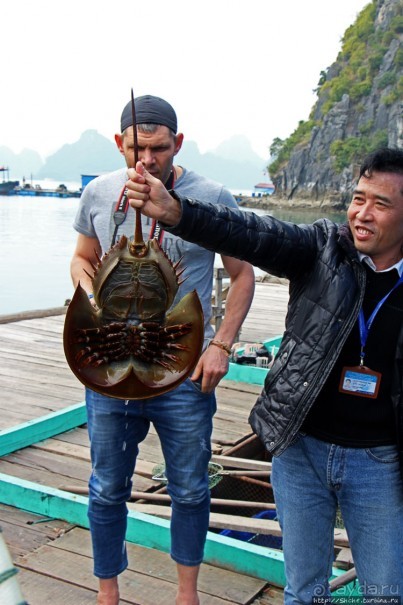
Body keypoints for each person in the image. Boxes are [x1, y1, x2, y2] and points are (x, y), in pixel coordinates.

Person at [125, 147, 403, 602]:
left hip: (378, 463)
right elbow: (250, 232)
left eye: (381, 203)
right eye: (358, 198)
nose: (362, 214)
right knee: (303, 591)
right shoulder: (322, 249)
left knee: (386, 593)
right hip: (301, 451)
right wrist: (177, 212)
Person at [70, 94, 255, 605]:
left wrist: (221, 344)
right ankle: (108, 594)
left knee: (191, 487)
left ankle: (186, 594)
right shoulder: (99, 193)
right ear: (118, 143)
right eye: (135, 149)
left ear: (178, 142)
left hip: (183, 367)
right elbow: (83, 257)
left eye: (158, 148)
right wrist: (89, 297)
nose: (146, 160)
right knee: (107, 486)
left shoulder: (212, 196)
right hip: (109, 365)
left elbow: (243, 274)